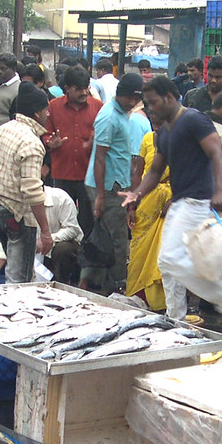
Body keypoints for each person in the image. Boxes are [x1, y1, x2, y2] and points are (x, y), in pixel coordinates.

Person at [121, 75, 222, 320]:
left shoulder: (194, 120)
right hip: (179, 202)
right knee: (166, 265)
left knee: (170, 258)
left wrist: (220, 190)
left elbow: (217, 155)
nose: (150, 108)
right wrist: (137, 194)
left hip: (198, 202)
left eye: (153, 103)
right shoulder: (164, 132)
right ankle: (176, 320)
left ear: (169, 98)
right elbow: (155, 171)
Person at [0, 82, 54, 283]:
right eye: (46, 109)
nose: (48, 114)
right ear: (36, 112)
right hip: (19, 214)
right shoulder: (31, 141)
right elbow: (32, 191)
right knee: (19, 280)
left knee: (16, 272)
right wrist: (46, 231)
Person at [84, 73, 146, 294]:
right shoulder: (109, 117)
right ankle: (117, 287)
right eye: (133, 99)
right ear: (125, 95)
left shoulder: (122, 114)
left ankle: (100, 282)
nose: (134, 104)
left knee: (110, 237)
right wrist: (101, 196)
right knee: (116, 240)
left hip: (117, 184)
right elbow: (100, 157)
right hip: (107, 187)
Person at [124, 96, 173, 311]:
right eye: (155, 123)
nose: (158, 127)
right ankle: (138, 295)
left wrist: (173, 200)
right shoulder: (147, 140)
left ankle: (160, 303)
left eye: (161, 123)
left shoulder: (180, 142)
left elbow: (187, 173)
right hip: (147, 202)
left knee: (162, 255)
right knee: (138, 252)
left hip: (170, 204)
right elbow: (138, 172)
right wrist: (132, 203)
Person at [0, 183, 82, 284]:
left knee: (63, 250)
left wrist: (48, 239)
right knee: (0, 246)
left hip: (56, 248)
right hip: (33, 251)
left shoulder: (61, 198)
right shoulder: (18, 205)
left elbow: (72, 229)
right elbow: (11, 237)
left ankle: (62, 283)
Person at [46, 65, 101, 238]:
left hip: (88, 175)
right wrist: (50, 142)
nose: (84, 92)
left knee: (88, 221)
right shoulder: (53, 107)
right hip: (62, 173)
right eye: (78, 89)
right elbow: (45, 134)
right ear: (67, 88)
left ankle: (86, 257)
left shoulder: (98, 107)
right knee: (62, 221)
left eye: (86, 88)